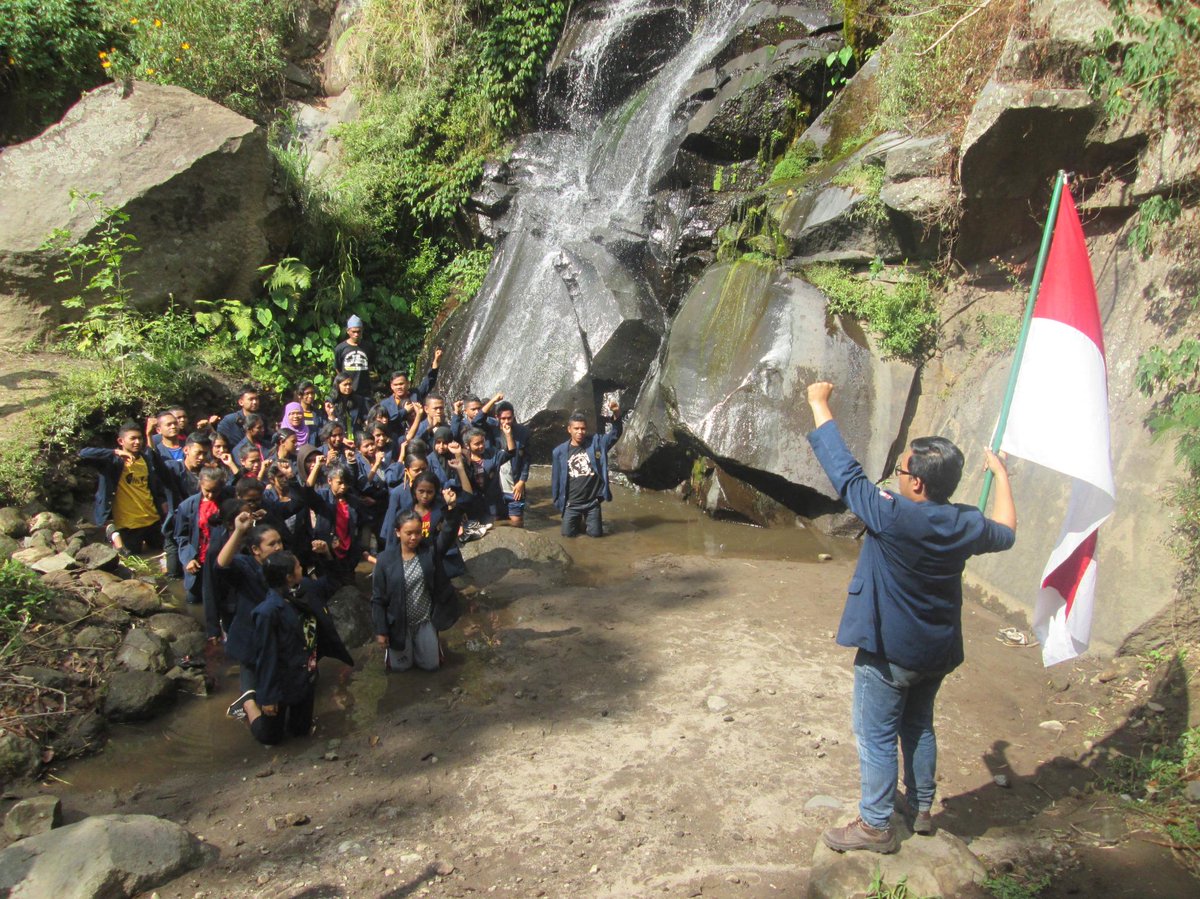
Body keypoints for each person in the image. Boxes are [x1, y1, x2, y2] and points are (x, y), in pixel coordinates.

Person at [804, 381, 1017, 854]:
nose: (895, 476)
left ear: (916, 483)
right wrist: (1001, 476)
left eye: (900, 470)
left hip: (888, 653)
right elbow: (1006, 531)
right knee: (918, 724)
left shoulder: (894, 515)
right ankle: (920, 809)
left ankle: (875, 825)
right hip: (935, 651)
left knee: (875, 735)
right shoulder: (965, 523)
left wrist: (819, 405)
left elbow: (846, 474)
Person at [236, 551, 354, 745]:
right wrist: (268, 697)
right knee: (270, 738)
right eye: (299, 567)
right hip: (281, 681)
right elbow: (267, 656)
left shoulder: (305, 590)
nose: (302, 569)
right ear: (289, 577)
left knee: (300, 732)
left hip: (304, 676)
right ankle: (249, 702)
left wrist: (326, 556)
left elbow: (334, 582)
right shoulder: (267, 612)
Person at [372, 490, 464, 673]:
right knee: (401, 668)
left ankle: (431, 643)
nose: (413, 537)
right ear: (398, 532)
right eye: (408, 533)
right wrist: (381, 631)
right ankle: (392, 653)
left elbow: (447, 533)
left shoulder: (429, 551)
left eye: (417, 533)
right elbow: (377, 599)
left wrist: (452, 509)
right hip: (399, 621)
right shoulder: (385, 560)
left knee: (431, 666)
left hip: (424, 619)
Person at [79, 421, 169, 556]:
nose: (137, 442)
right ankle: (112, 532)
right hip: (128, 525)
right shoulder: (112, 461)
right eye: (132, 438)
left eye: (139, 438)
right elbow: (84, 453)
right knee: (129, 557)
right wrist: (115, 452)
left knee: (166, 549)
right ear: (121, 441)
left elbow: (155, 486)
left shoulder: (145, 459)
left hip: (152, 520)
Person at [550, 402, 623, 538]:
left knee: (596, 537)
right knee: (567, 537)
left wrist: (617, 414)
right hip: (571, 504)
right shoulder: (559, 452)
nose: (580, 432)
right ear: (569, 429)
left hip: (592, 503)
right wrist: (558, 502)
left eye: (583, 429)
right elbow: (556, 480)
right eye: (576, 428)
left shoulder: (596, 443)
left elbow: (614, 434)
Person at [493, 402, 531, 527]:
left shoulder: (523, 432)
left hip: (515, 484)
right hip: (496, 486)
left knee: (517, 521)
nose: (506, 421)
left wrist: (522, 481)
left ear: (514, 416)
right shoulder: (491, 433)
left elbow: (526, 459)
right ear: (497, 417)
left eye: (509, 418)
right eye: (503, 418)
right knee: (497, 521)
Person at [333, 314, 373, 396]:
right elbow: (337, 368)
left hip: (365, 391)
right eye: (353, 332)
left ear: (362, 330)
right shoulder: (340, 348)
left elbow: (370, 365)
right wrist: (345, 383)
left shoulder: (368, 347)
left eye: (358, 331)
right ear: (348, 331)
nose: (356, 334)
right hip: (348, 391)